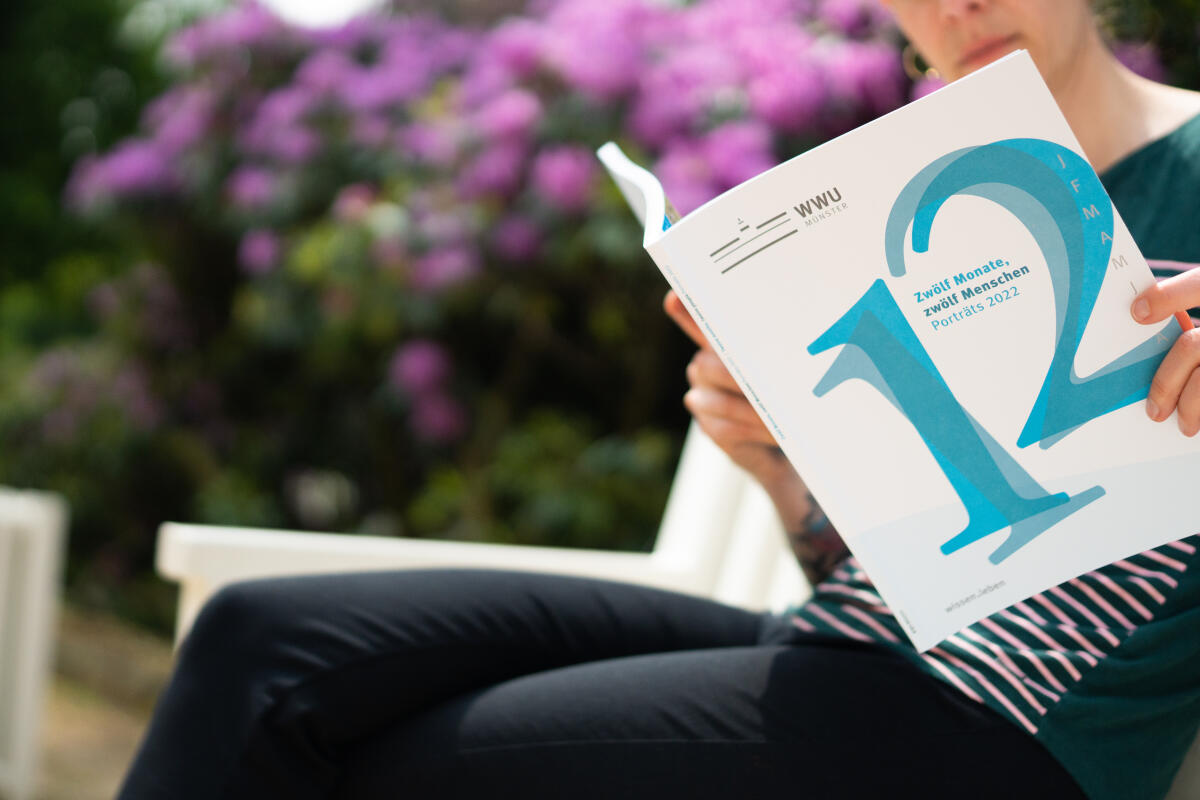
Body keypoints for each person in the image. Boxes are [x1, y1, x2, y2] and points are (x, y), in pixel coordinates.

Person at [116, 2, 1200, 798]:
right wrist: (780, 466)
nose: (960, 5)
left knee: (391, 768)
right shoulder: (899, 184)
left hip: (1013, 734)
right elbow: (885, 562)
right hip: (840, 646)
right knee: (261, 642)